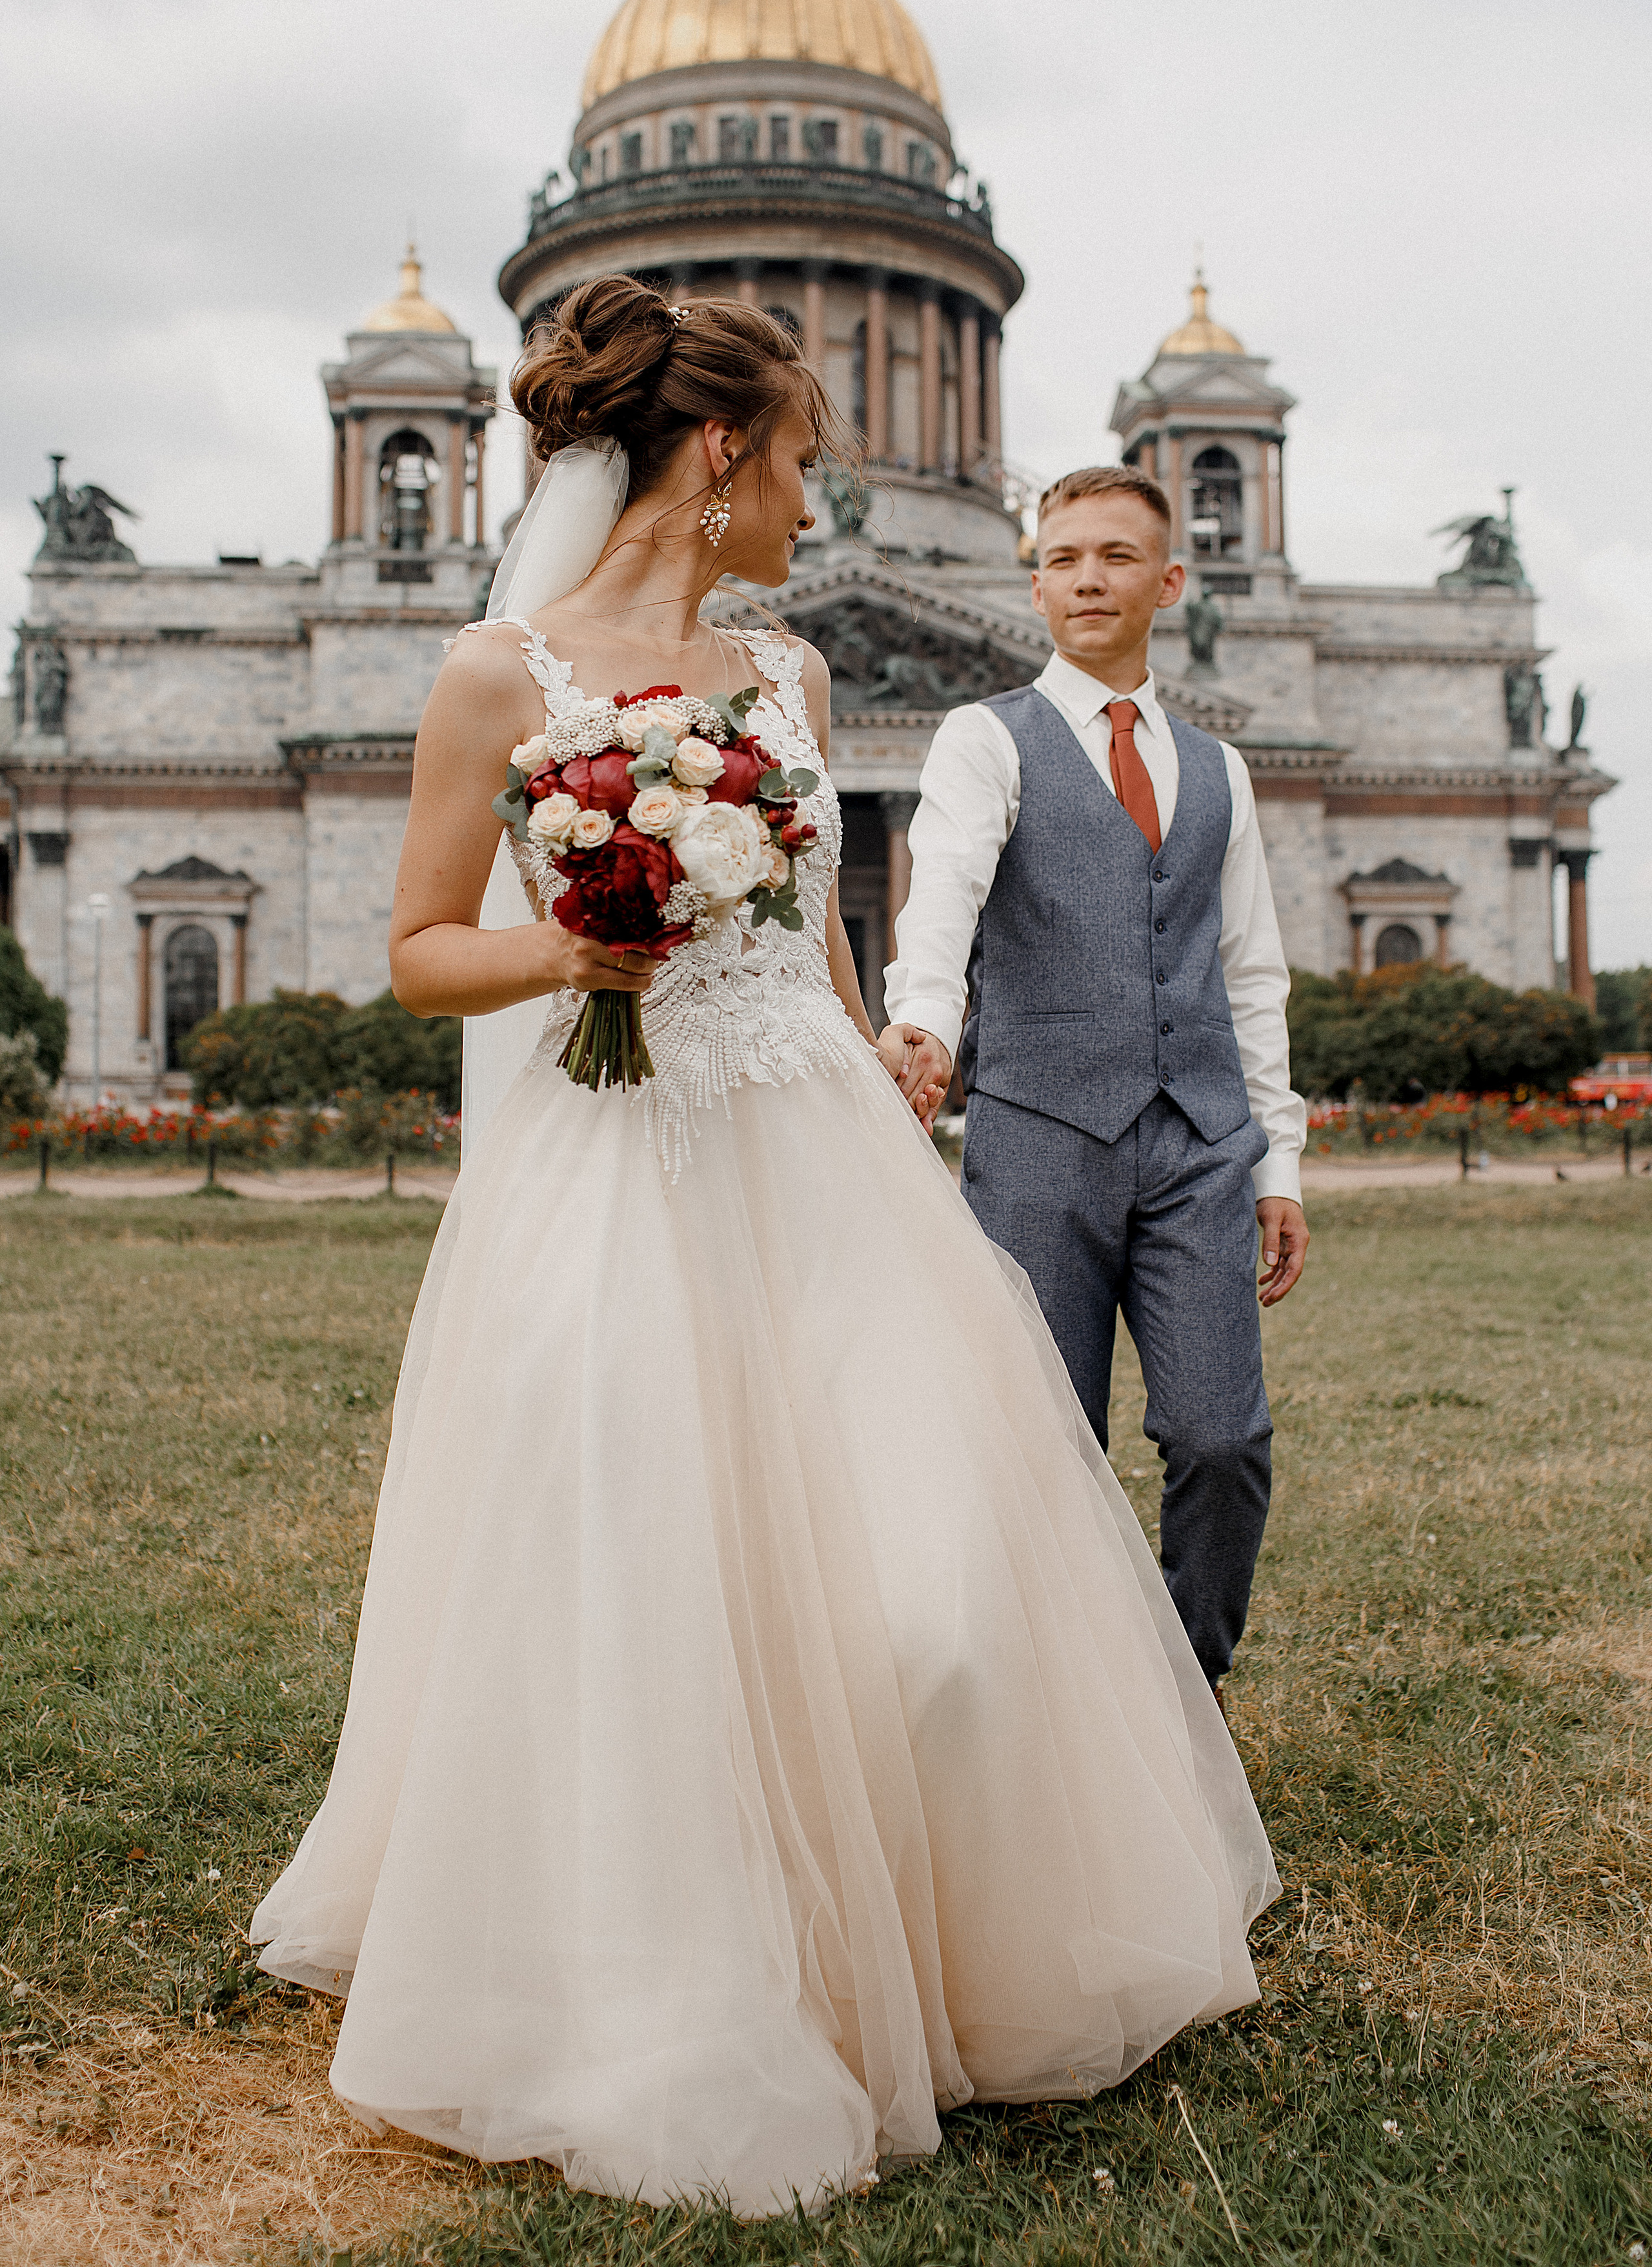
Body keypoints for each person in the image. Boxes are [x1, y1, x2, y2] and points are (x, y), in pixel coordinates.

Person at [251, 284, 1278, 2221]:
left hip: (817, 1147)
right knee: (651, 1586)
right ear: (721, 453)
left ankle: (933, 1938)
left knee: (936, 1582)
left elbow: (810, 929)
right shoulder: (490, 676)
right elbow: (419, 952)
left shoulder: (793, 673)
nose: (818, 500)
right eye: (802, 458)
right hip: (622, 1167)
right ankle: (683, 1979)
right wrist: (577, 945)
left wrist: (881, 1057)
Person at [883, 465, 1309, 1698]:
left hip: (1200, 1145)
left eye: (1116, 557)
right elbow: (944, 891)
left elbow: (1250, 973)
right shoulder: (986, 738)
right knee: (1042, 1442)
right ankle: (1048, 1711)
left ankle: (1183, 1693)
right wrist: (925, 1023)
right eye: (1063, 559)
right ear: (1034, 587)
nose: (1087, 579)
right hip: (1039, 1139)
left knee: (1223, 1440)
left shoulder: (1220, 769)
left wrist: (1278, 1163)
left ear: (1167, 584)